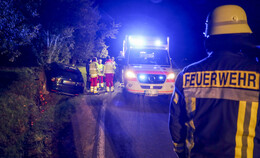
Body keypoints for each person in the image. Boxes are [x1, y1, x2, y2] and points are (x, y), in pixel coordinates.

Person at [169, 5, 260, 158]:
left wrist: (181, 151)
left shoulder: (187, 75)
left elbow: (176, 123)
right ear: (245, 36)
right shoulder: (256, 73)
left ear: (208, 37)